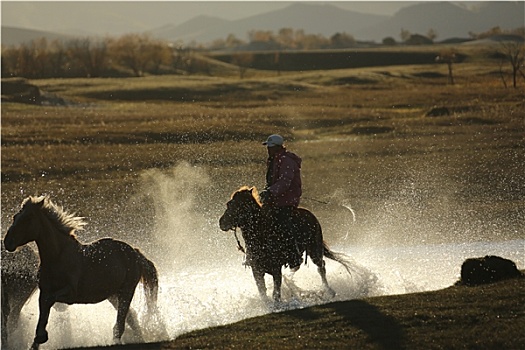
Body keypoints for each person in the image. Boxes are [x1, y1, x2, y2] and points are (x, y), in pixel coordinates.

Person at [258, 134, 303, 270]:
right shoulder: (273, 160)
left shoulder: (286, 161)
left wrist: (270, 191)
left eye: (270, 147)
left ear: (278, 147)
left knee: (283, 224)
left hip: (287, 201)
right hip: (274, 200)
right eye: (268, 147)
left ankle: (294, 256)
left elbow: (285, 182)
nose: (268, 150)